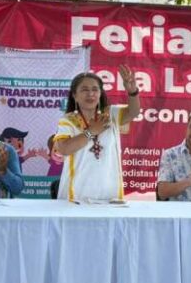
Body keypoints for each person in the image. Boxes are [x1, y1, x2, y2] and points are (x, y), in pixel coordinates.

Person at [53, 65, 140, 202]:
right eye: (84, 90)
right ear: (75, 96)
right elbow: (64, 149)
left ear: (100, 94)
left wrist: (132, 92)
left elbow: (133, 112)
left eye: (95, 89)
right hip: (76, 196)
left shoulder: (111, 114)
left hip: (109, 195)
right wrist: (91, 132)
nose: (90, 94)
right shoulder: (67, 120)